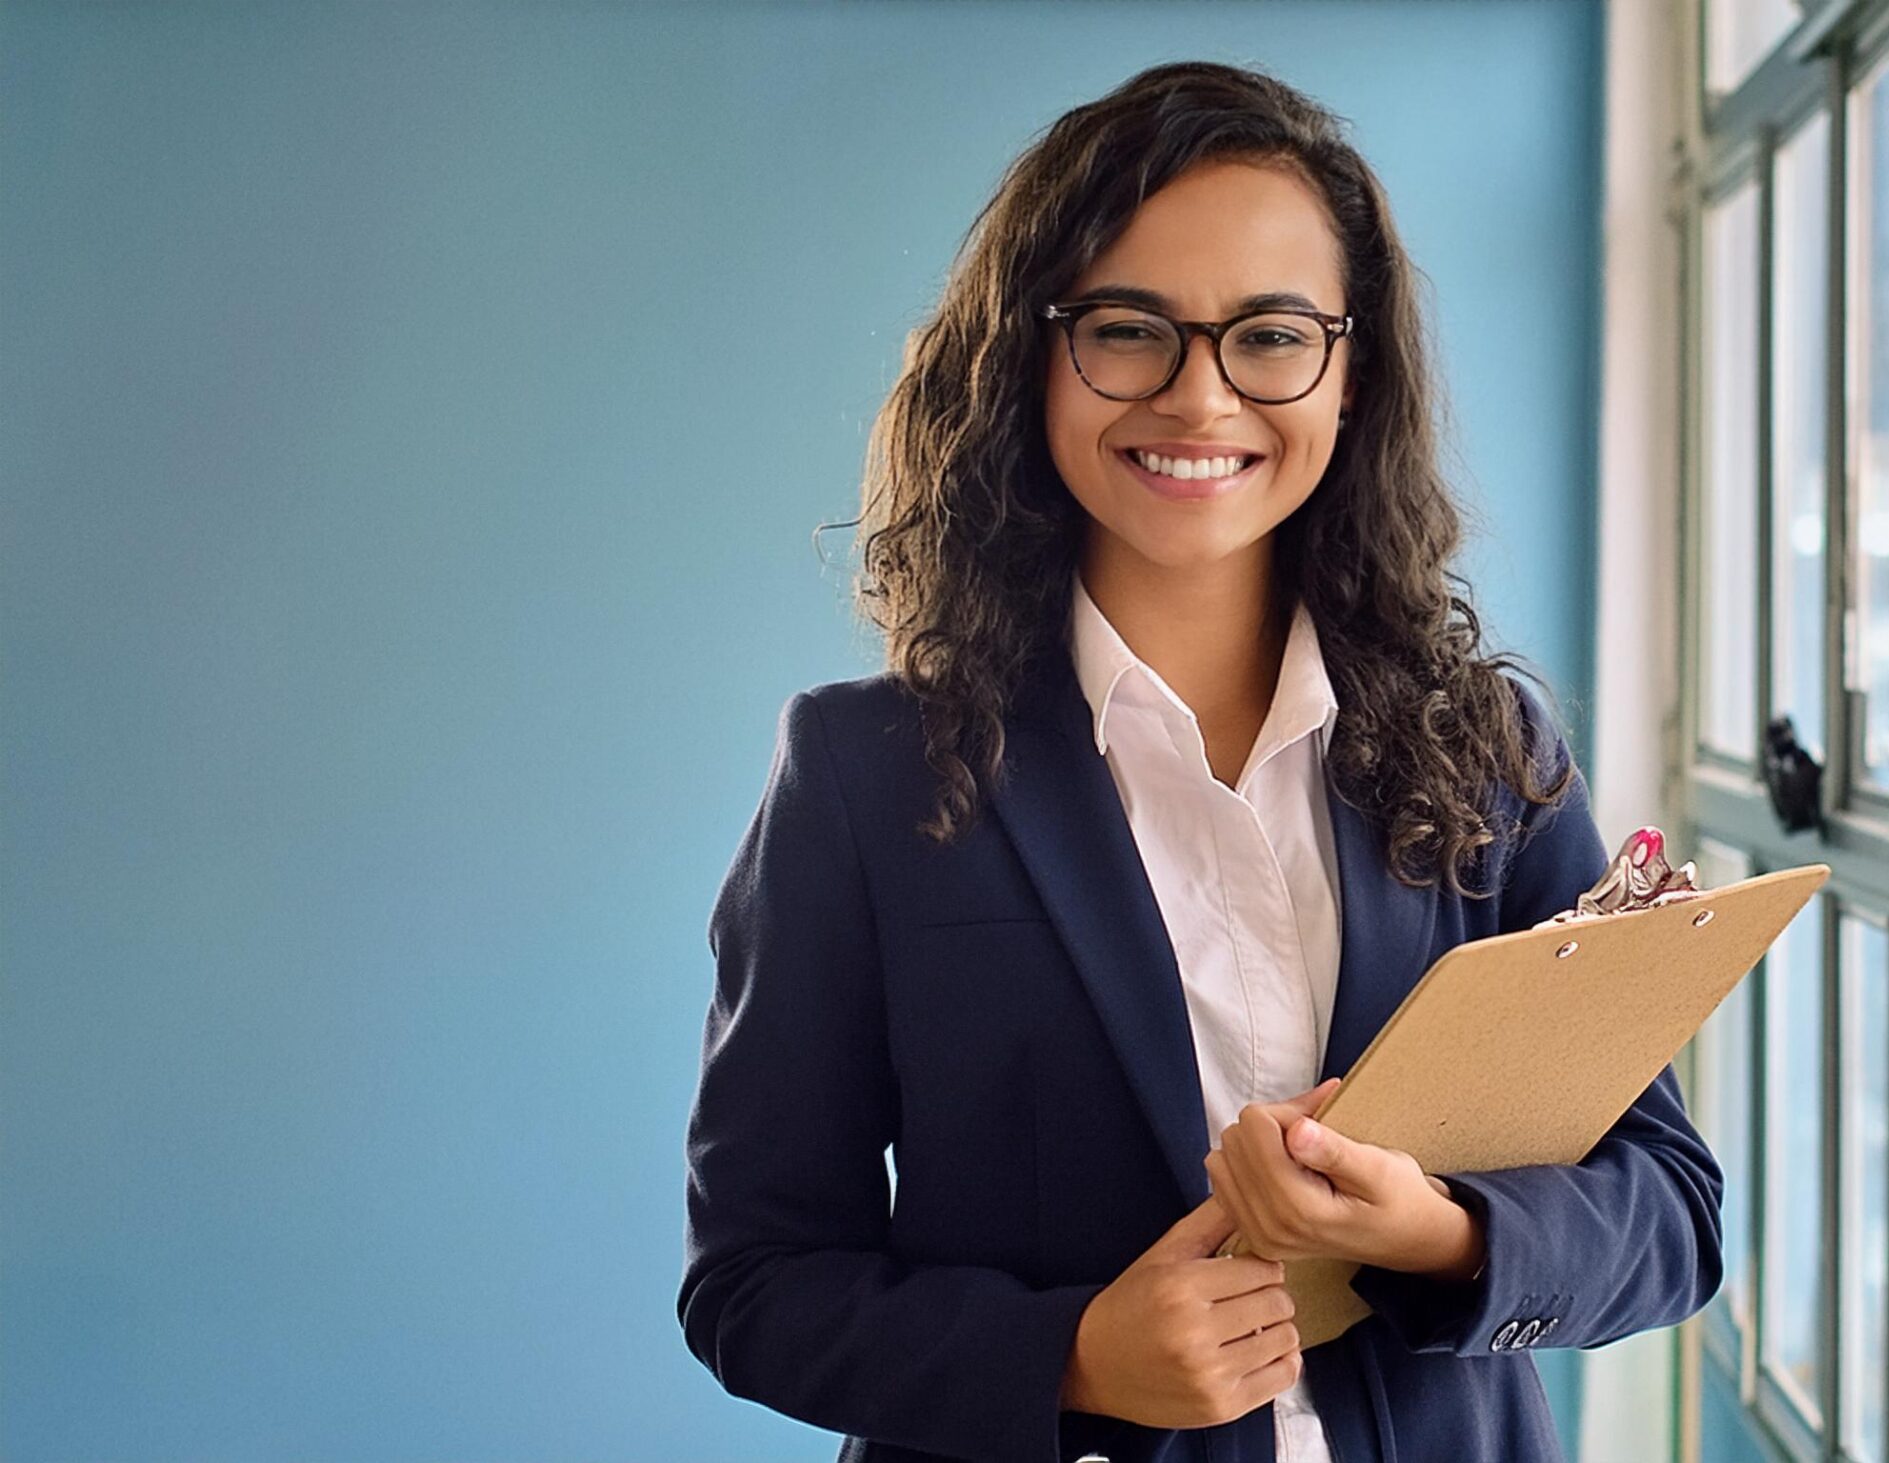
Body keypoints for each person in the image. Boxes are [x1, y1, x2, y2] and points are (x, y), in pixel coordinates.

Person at [677, 59, 1724, 1463]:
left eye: (1271, 336)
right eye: (1129, 330)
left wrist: (1441, 1233)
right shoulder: (865, 777)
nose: (1200, 396)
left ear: (1351, 375)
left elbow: (1669, 1207)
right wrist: (1074, 1362)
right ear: (1034, 361)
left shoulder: (1484, 750)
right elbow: (753, 1283)